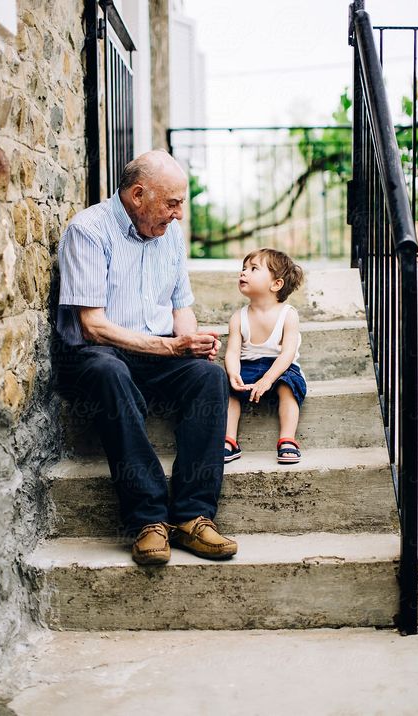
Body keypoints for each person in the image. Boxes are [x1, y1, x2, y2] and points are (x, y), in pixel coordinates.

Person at [55, 150, 237, 565]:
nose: (178, 215)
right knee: (108, 371)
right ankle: (148, 520)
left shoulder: (168, 234)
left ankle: (193, 516)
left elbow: (180, 306)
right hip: (98, 353)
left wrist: (192, 342)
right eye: (172, 204)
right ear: (138, 195)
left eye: (180, 205)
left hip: (156, 353)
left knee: (209, 378)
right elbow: (92, 326)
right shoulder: (89, 230)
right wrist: (171, 346)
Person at [223, 248, 306, 465]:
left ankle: (287, 439)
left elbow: (287, 353)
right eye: (243, 269)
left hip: (280, 367)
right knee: (228, 389)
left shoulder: (288, 315)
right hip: (247, 366)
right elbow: (232, 352)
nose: (243, 273)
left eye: (253, 269)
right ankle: (229, 440)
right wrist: (233, 374)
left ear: (276, 284)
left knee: (289, 386)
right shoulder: (238, 317)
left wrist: (268, 379)